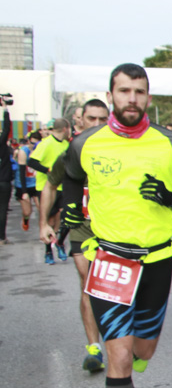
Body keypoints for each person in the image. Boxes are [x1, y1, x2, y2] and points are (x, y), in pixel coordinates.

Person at [60, 63, 172, 388]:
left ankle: (136, 359)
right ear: (111, 95)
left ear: (148, 96)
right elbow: (70, 176)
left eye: (139, 92)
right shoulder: (86, 142)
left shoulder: (170, 142)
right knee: (118, 355)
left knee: (144, 349)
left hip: (157, 259)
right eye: (124, 92)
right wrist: (70, 208)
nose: (132, 100)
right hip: (110, 260)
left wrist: (170, 197)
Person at [40, 99, 111, 372]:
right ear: (79, 121)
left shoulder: (121, 151)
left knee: (114, 286)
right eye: (91, 119)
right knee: (88, 282)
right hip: (82, 227)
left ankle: (120, 335)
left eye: (102, 120)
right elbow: (50, 184)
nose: (96, 125)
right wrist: (43, 224)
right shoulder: (72, 152)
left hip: (116, 228)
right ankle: (94, 348)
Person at [28, 118, 71, 264]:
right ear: (65, 129)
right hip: (46, 187)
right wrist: (48, 170)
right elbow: (31, 161)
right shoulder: (45, 143)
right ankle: (48, 251)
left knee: (66, 217)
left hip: (63, 187)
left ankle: (59, 242)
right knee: (50, 220)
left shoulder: (67, 145)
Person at [0, 104, 11, 244]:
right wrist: (5, 109)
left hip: (4, 181)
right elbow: (7, 128)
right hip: (4, 181)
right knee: (2, 209)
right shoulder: (1, 143)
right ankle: (1, 237)